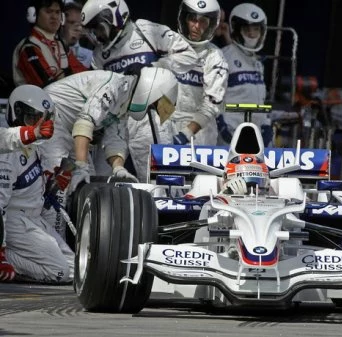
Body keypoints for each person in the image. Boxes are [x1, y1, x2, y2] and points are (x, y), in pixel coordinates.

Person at [39, 67, 175, 239]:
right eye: (154, 103)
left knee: (86, 186)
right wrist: (80, 165)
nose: (151, 108)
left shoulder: (124, 100)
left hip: (70, 128)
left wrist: (119, 168)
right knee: (60, 185)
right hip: (51, 119)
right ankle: (52, 241)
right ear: (150, 90)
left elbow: (115, 139)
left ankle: (71, 242)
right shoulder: (113, 86)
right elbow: (86, 120)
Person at [81, 0, 199, 179]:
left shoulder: (146, 31)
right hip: (115, 121)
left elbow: (189, 56)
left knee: (158, 179)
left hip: (152, 116)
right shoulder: (99, 55)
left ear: (114, 18)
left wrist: (152, 66)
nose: (97, 35)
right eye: (93, 31)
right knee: (102, 179)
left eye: (98, 28)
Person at [0, 85, 74, 283]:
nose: (39, 125)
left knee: (76, 269)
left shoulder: (33, 146)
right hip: (14, 222)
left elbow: (30, 183)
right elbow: (0, 207)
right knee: (59, 273)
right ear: (18, 113)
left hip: (33, 219)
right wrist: (1, 253)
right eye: (33, 118)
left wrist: (53, 182)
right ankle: (8, 258)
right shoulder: (7, 155)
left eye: (43, 118)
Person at [170, 0, 228, 146]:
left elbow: (213, 102)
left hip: (200, 132)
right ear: (184, 19)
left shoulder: (214, 56)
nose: (196, 26)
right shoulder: (167, 46)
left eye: (203, 22)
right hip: (166, 124)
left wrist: (186, 133)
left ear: (211, 25)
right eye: (193, 19)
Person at [216, 3, 272, 147]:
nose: (252, 34)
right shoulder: (223, 57)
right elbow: (213, 98)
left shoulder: (258, 64)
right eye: (247, 29)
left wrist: (266, 123)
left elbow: (259, 100)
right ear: (237, 29)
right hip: (229, 136)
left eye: (256, 29)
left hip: (256, 137)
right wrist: (221, 124)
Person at [13, 0, 87, 87]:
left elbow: (83, 74)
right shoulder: (29, 47)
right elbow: (47, 85)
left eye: (57, 12)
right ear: (34, 15)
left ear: (62, 17)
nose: (54, 17)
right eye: (49, 11)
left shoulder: (61, 45)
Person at [60, 0, 93, 68]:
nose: (77, 28)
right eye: (71, 22)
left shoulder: (90, 56)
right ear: (61, 23)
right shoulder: (52, 51)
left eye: (80, 25)